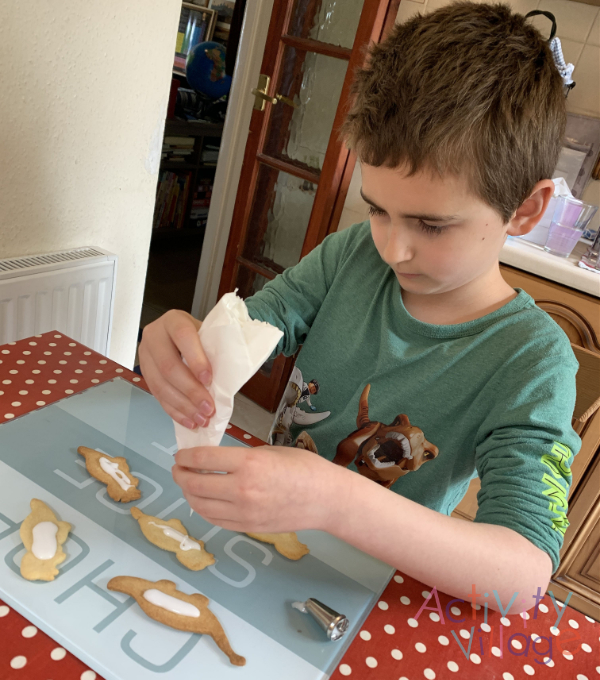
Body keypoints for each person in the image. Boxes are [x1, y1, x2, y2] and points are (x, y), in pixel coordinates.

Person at [139, 2, 580, 614]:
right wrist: (190, 347)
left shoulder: (534, 361)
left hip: (370, 595)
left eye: (430, 223)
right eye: (377, 208)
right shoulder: (352, 255)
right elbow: (258, 325)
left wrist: (336, 499)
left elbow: (525, 579)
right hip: (263, 546)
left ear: (526, 211)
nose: (393, 248)